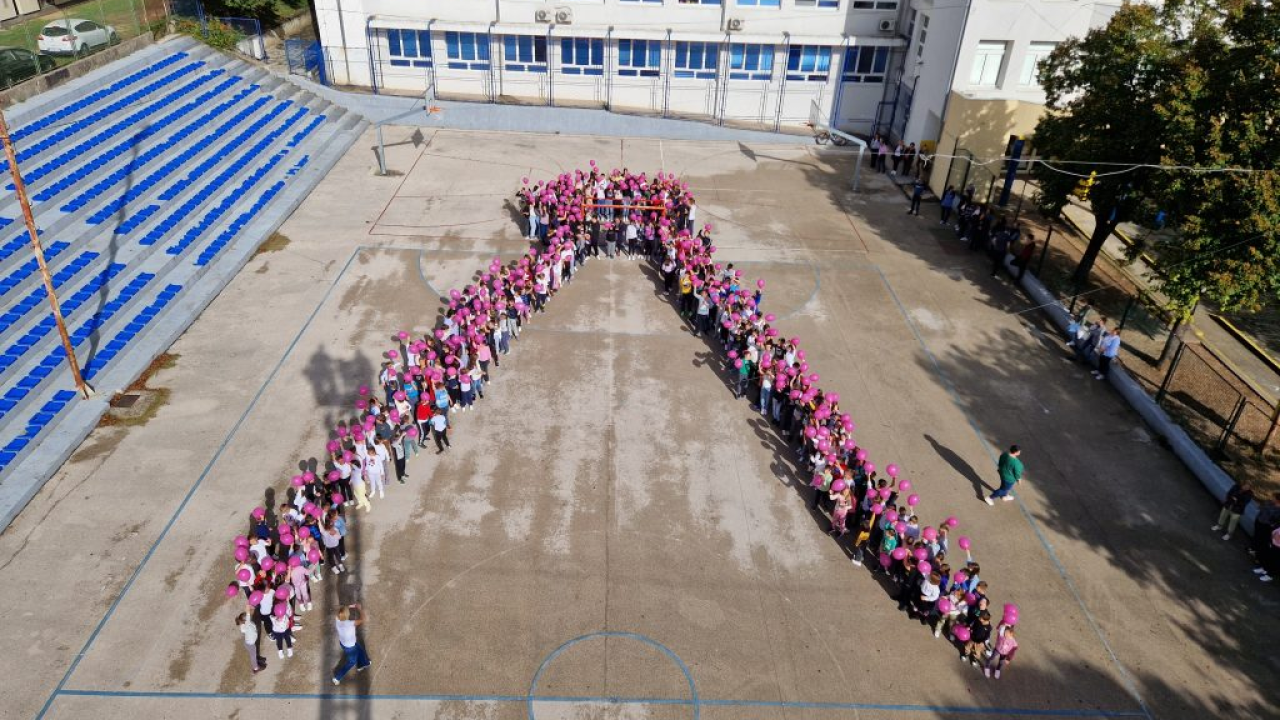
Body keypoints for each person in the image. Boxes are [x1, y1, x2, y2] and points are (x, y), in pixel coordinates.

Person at [332, 603, 371, 685]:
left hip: (343, 643)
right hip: (350, 647)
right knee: (351, 662)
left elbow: (339, 609)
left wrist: (351, 606)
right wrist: (359, 608)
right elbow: (364, 619)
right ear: (347, 615)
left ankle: (363, 663)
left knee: (359, 649)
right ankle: (337, 677)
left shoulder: (337, 619)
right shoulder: (351, 623)